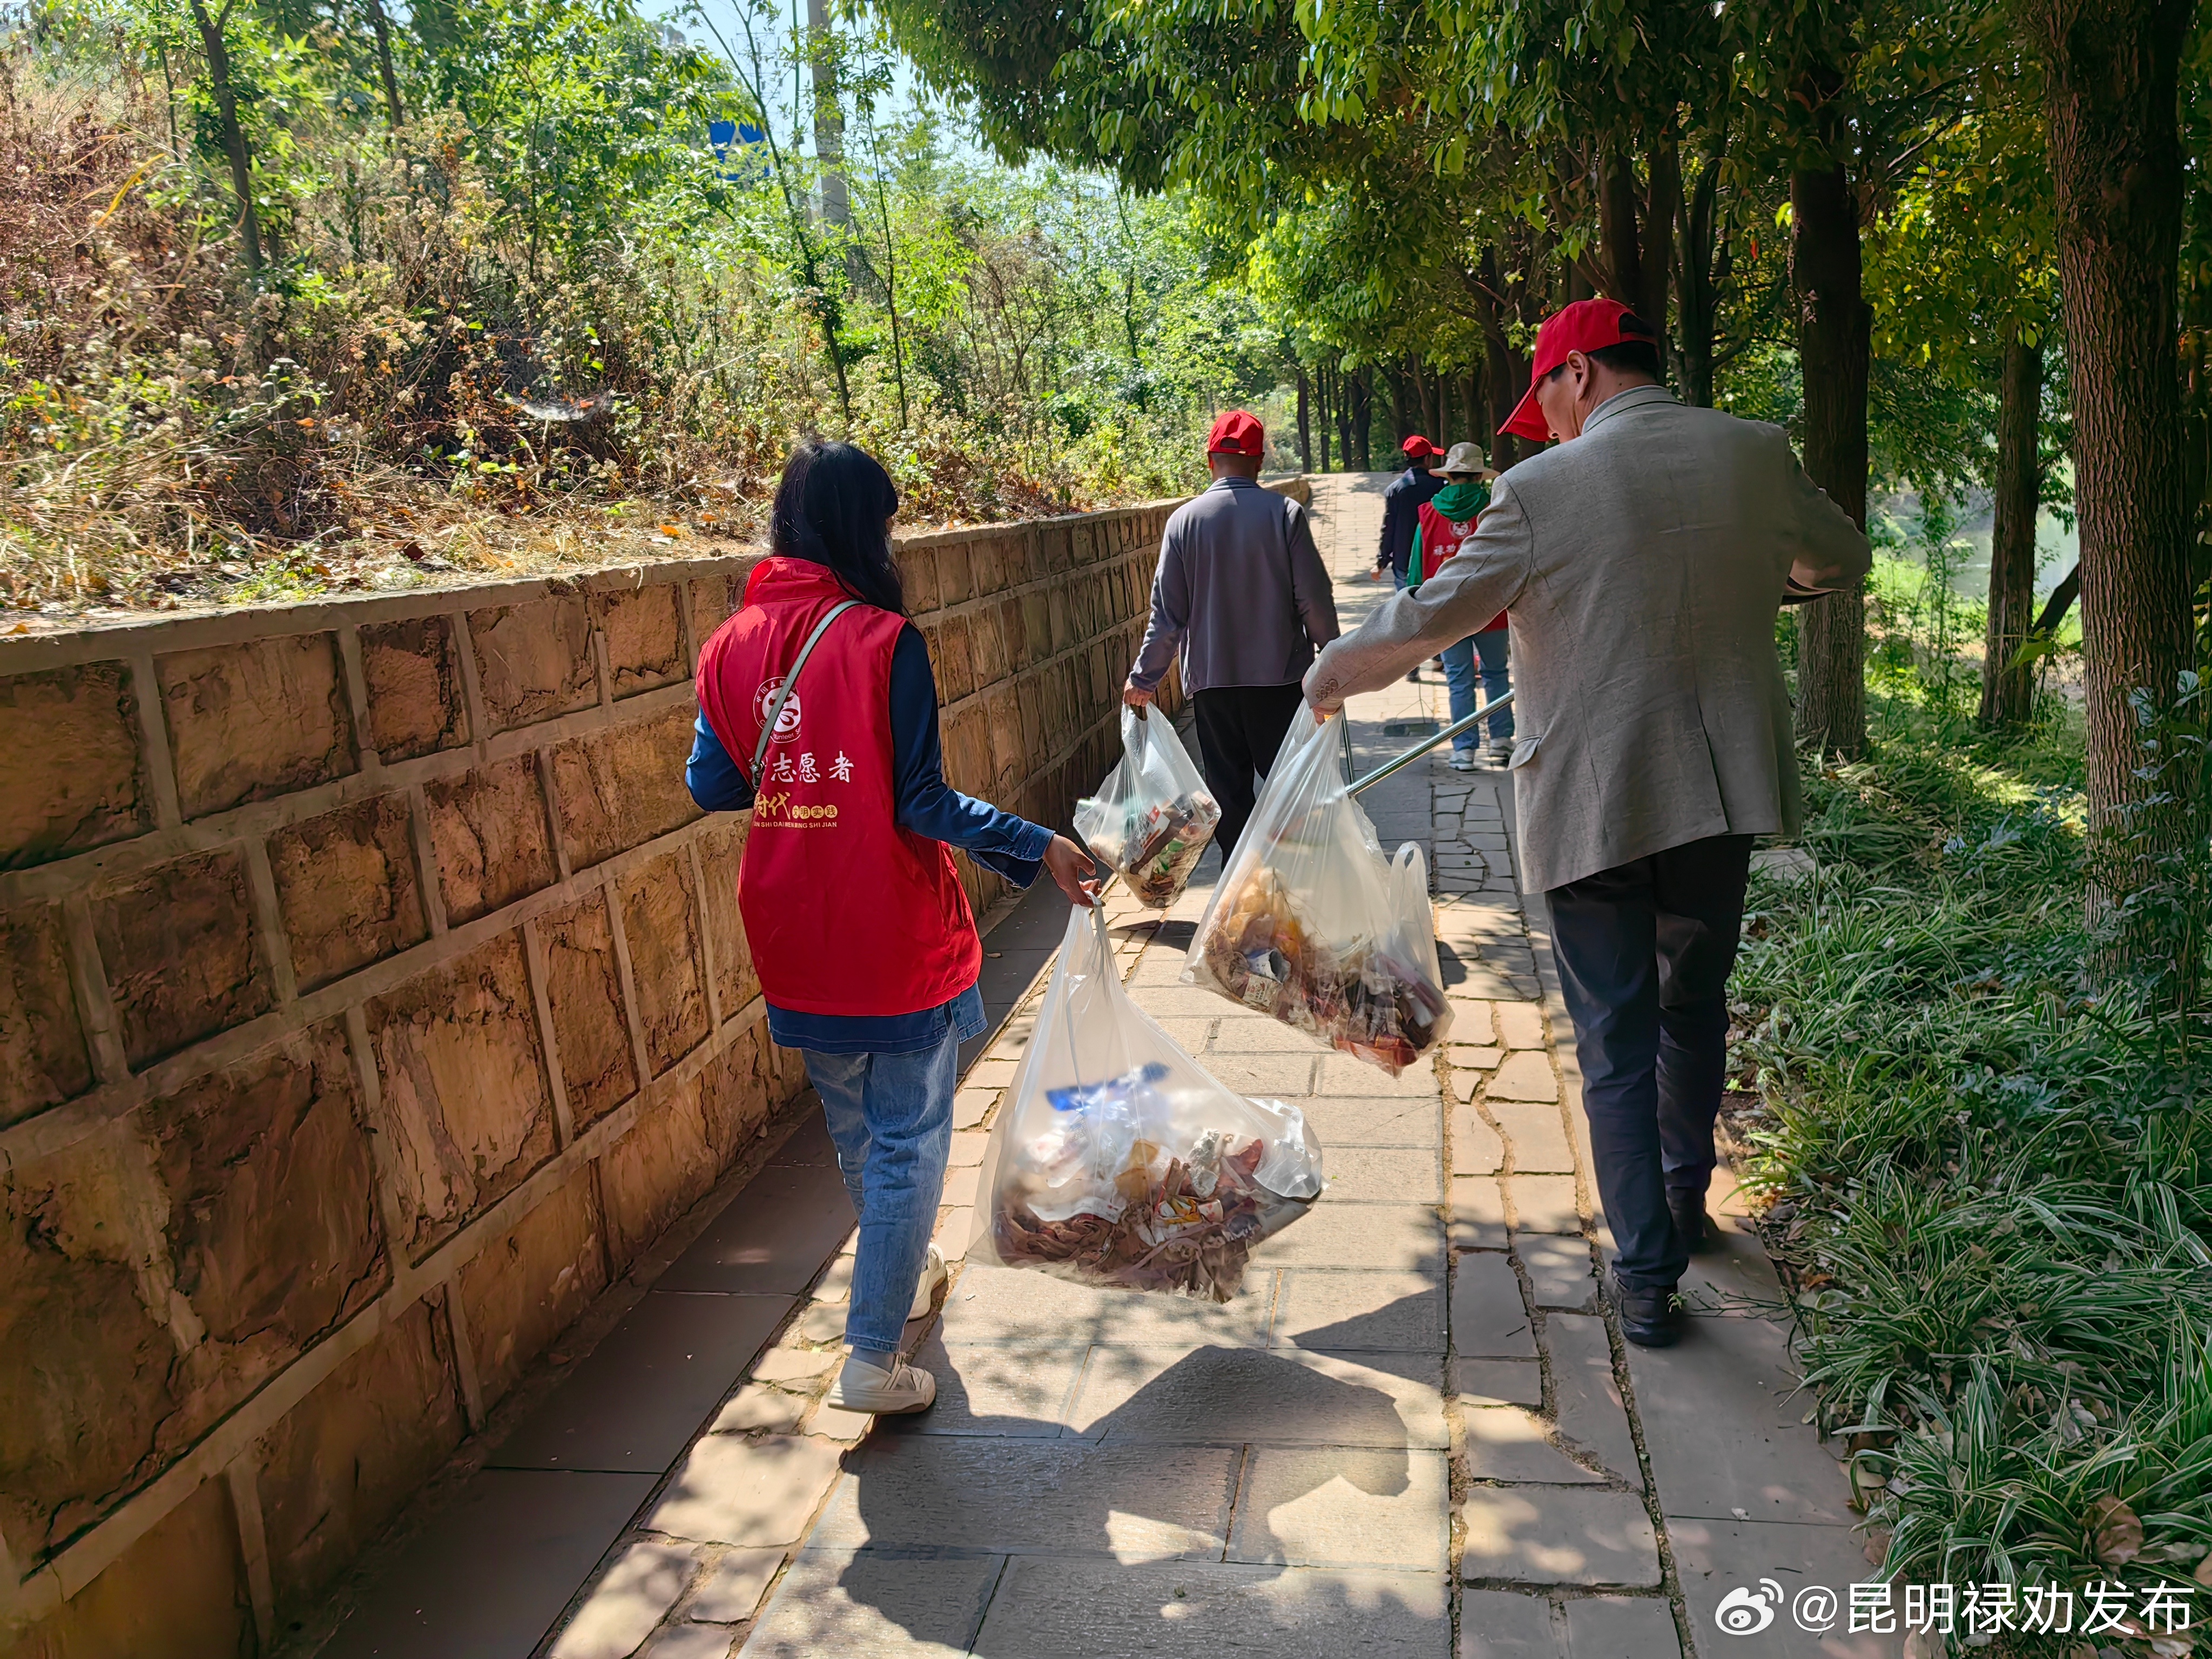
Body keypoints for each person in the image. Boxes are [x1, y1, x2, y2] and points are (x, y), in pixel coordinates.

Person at [1301, 299, 1871, 1349]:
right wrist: (1768, 575)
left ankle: (1647, 1277)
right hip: (1720, 796)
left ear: (1579, 376)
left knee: (1613, 1037)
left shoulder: (1540, 491)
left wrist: (1333, 673)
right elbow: (1840, 559)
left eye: (1543, 400)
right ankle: (1684, 1205)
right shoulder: (1754, 452)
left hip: (1594, 802)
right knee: (1693, 1004)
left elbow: (1436, 611)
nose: (1541, 425)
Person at [687, 440, 1098, 1415]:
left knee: (855, 1126)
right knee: (911, 1134)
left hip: (790, 921)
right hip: (886, 923)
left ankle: (898, 1272)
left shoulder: (728, 643)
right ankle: (872, 1354)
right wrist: (1033, 841)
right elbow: (919, 802)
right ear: (861, 529)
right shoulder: (880, 638)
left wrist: (787, 762)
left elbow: (712, 784)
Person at [1124, 410, 1340, 859]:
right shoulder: (1285, 514)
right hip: (1281, 683)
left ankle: (1240, 899)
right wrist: (1335, 669)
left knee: (1230, 796)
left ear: (1210, 460)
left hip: (1213, 686)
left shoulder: (1184, 522)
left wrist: (1145, 679)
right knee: (1292, 794)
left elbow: (1168, 616)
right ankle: (1296, 891)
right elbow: (1314, 601)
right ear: (1259, 462)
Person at [1407, 441, 1513, 772]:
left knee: (1459, 679)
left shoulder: (1428, 513)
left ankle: (1464, 750)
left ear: (1448, 474)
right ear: (1480, 475)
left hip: (1446, 612)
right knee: (1496, 674)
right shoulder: (1495, 510)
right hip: (1492, 609)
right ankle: (1501, 743)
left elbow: (1416, 567)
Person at [1377, 435, 1446, 681]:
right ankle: (1440, 659)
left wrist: (1382, 559)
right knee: (1437, 610)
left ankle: (1411, 668)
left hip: (1405, 563)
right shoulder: (1440, 487)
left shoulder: (1396, 490)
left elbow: (1390, 527)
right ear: (1427, 458)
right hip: (1435, 560)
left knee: (1406, 614)